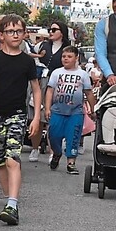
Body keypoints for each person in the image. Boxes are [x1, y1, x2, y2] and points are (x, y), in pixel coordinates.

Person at [0, 14, 41, 226]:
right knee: (1, 161)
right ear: (1, 35)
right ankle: (8, 202)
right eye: (10, 31)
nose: (15, 35)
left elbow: (36, 89)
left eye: (19, 31)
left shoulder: (27, 61)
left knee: (13, 158)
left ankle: (12, 203)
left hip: (17, 115)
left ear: (24, 34)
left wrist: (36, 117)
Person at [45, 46, 96, 174]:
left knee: (73, 137)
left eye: (69, 56)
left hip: (75, 112)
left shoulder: (83, 75)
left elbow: (89, 93)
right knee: (54, 136)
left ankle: (71, 163)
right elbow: (50, 91)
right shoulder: (56, 73)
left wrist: (93, 109)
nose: (66, 59)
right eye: (64, 56)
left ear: (76, 58)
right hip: (57, 111)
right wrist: (47, 108)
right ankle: (57, 153)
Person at [28, 21, 72, 162]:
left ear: (62, 33)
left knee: (54, 118)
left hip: (60, 84)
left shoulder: (67, 48)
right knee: (38, 116)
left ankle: (54, 150)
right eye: (50, 29)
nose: (51, 32)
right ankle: (35, 148)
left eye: (54, 29)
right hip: (42, 82)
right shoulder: (42, 46)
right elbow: (32, 59)